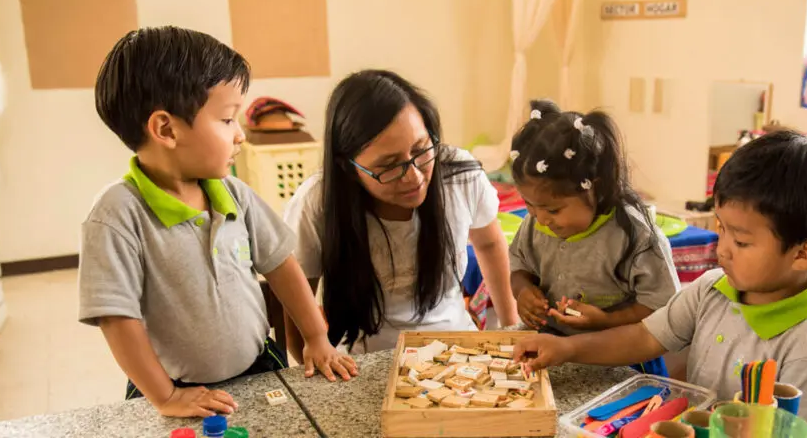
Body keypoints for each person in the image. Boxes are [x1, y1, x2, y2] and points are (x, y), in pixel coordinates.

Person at [78, 26, 351, 418]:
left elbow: (281, 265)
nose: (239, 134)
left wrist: (316, 337)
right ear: (166, 129)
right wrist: (166, 397)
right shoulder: (117, 215)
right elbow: (117, 319)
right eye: (227, 119)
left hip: (260, 366)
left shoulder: (234, 192)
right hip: (173, 386)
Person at [513, 130, 807, 437]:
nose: (722, 250)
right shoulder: (713, 288)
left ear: (802, 253)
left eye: (741, 241)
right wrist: (567, 349)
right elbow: (644, 336)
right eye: (720, 228)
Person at [282, 69, 517, 359]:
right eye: (389, 165)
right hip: (363, 359)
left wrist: (510, 328)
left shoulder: (458, 174)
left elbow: (490, 244)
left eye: (420, 150)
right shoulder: (318, 201)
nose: (414, 177)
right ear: (348, 167)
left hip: (456, 347)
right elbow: (296, 299)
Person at [508, 100, 680, 375]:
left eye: (553, 209)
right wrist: (523, 291)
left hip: (621, 361)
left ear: (595, 189)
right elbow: (520, 268)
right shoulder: (535, 224)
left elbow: (662, 308)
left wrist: (606, 319)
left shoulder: (635, 236)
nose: (540, 219)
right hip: (551, 349)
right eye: (529, 205)